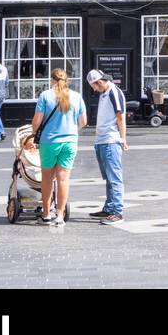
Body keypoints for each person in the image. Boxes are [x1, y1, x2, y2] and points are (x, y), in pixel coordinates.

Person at [29, 68, 87, 226]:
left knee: (47, 178)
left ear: (52, 80)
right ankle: (60, 216)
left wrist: (34, 133)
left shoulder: (45, 96)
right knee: (63, 179)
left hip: (49, 142)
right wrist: (72, 131)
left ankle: (46, 214)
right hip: (70, 142)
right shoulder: (76, 96)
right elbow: (83, 121)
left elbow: (37, 121)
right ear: (66, 80)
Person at [86, 70, 128, 224]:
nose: (94, 90)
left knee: (114, 177)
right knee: (109, 177)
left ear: (99, 82)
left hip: (110, 140)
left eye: (94, 87)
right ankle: (110, 208)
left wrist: (123, 139)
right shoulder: (105, 93)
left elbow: (120, 116)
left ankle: (117, 212)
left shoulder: (114, 93)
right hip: (102, 140)